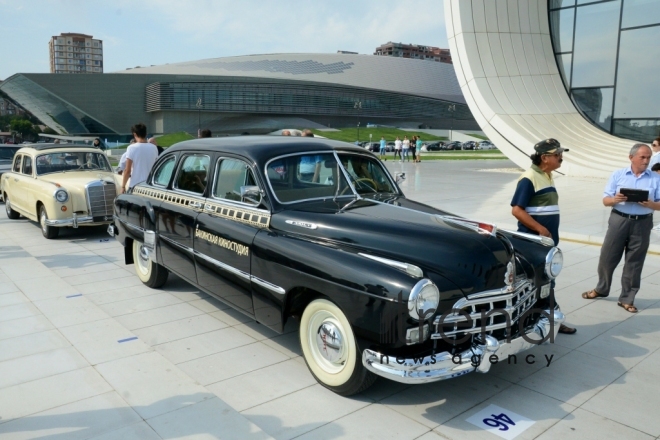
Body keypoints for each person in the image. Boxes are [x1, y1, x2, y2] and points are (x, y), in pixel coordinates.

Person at [581, 143, 660, 313]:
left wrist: (652, 204)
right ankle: (601, 288)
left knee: (634, 262)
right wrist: (615, 199)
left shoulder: (655, 178)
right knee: (607, 257)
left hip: (643, 223)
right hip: (619, 220)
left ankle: (627, 298)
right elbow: (605, 200)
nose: (646, 161)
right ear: (631, 157)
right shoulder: (618, 175)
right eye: (642, 157)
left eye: (648, 157)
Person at [511, 138, 576, 334]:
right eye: (557, 155)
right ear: (545, 158)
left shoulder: (547, 175)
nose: (561, 158)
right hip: (534, 242)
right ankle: (551, 318)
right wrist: (540, 229)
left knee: (545, 281)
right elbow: (517, 210)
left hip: (546, 242)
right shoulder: (529, 178)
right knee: (543, 281)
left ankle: (544, 318)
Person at [121, 123, 158, 193]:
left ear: (134, 134)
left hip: (135, 185)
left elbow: (127, 170)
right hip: (150, 185)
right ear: (146, 134)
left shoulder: (131, 148)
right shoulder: (154, 148)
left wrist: (123, 186)